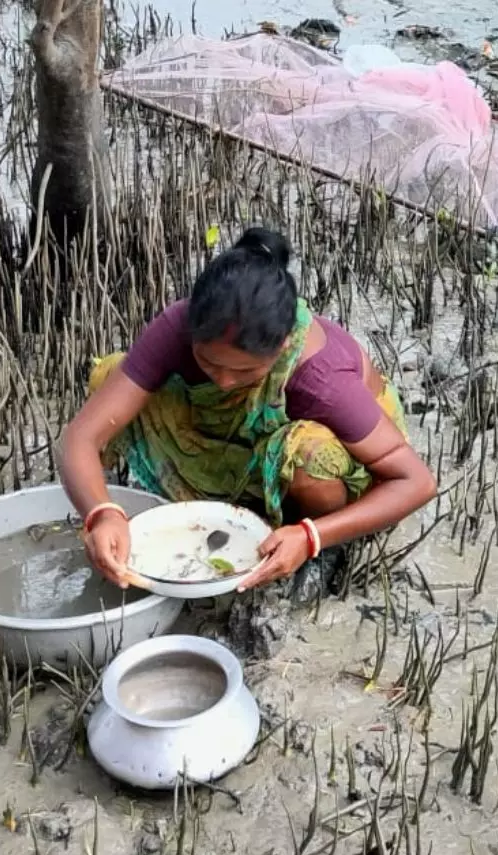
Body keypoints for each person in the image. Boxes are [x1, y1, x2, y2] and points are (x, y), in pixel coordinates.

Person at [57, 226, 437, 595]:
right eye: (208, 363)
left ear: (283, 345)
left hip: (336, 461)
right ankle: (240, 504)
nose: (223, 382)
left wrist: (311, 536)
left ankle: (314, 543)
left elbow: (415, 482)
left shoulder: (320, 378)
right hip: (245, 442)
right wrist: (102, 512)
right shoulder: (175, 328)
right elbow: (82, 436)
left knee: (310, 455)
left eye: (244, 371)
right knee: (109, 375)